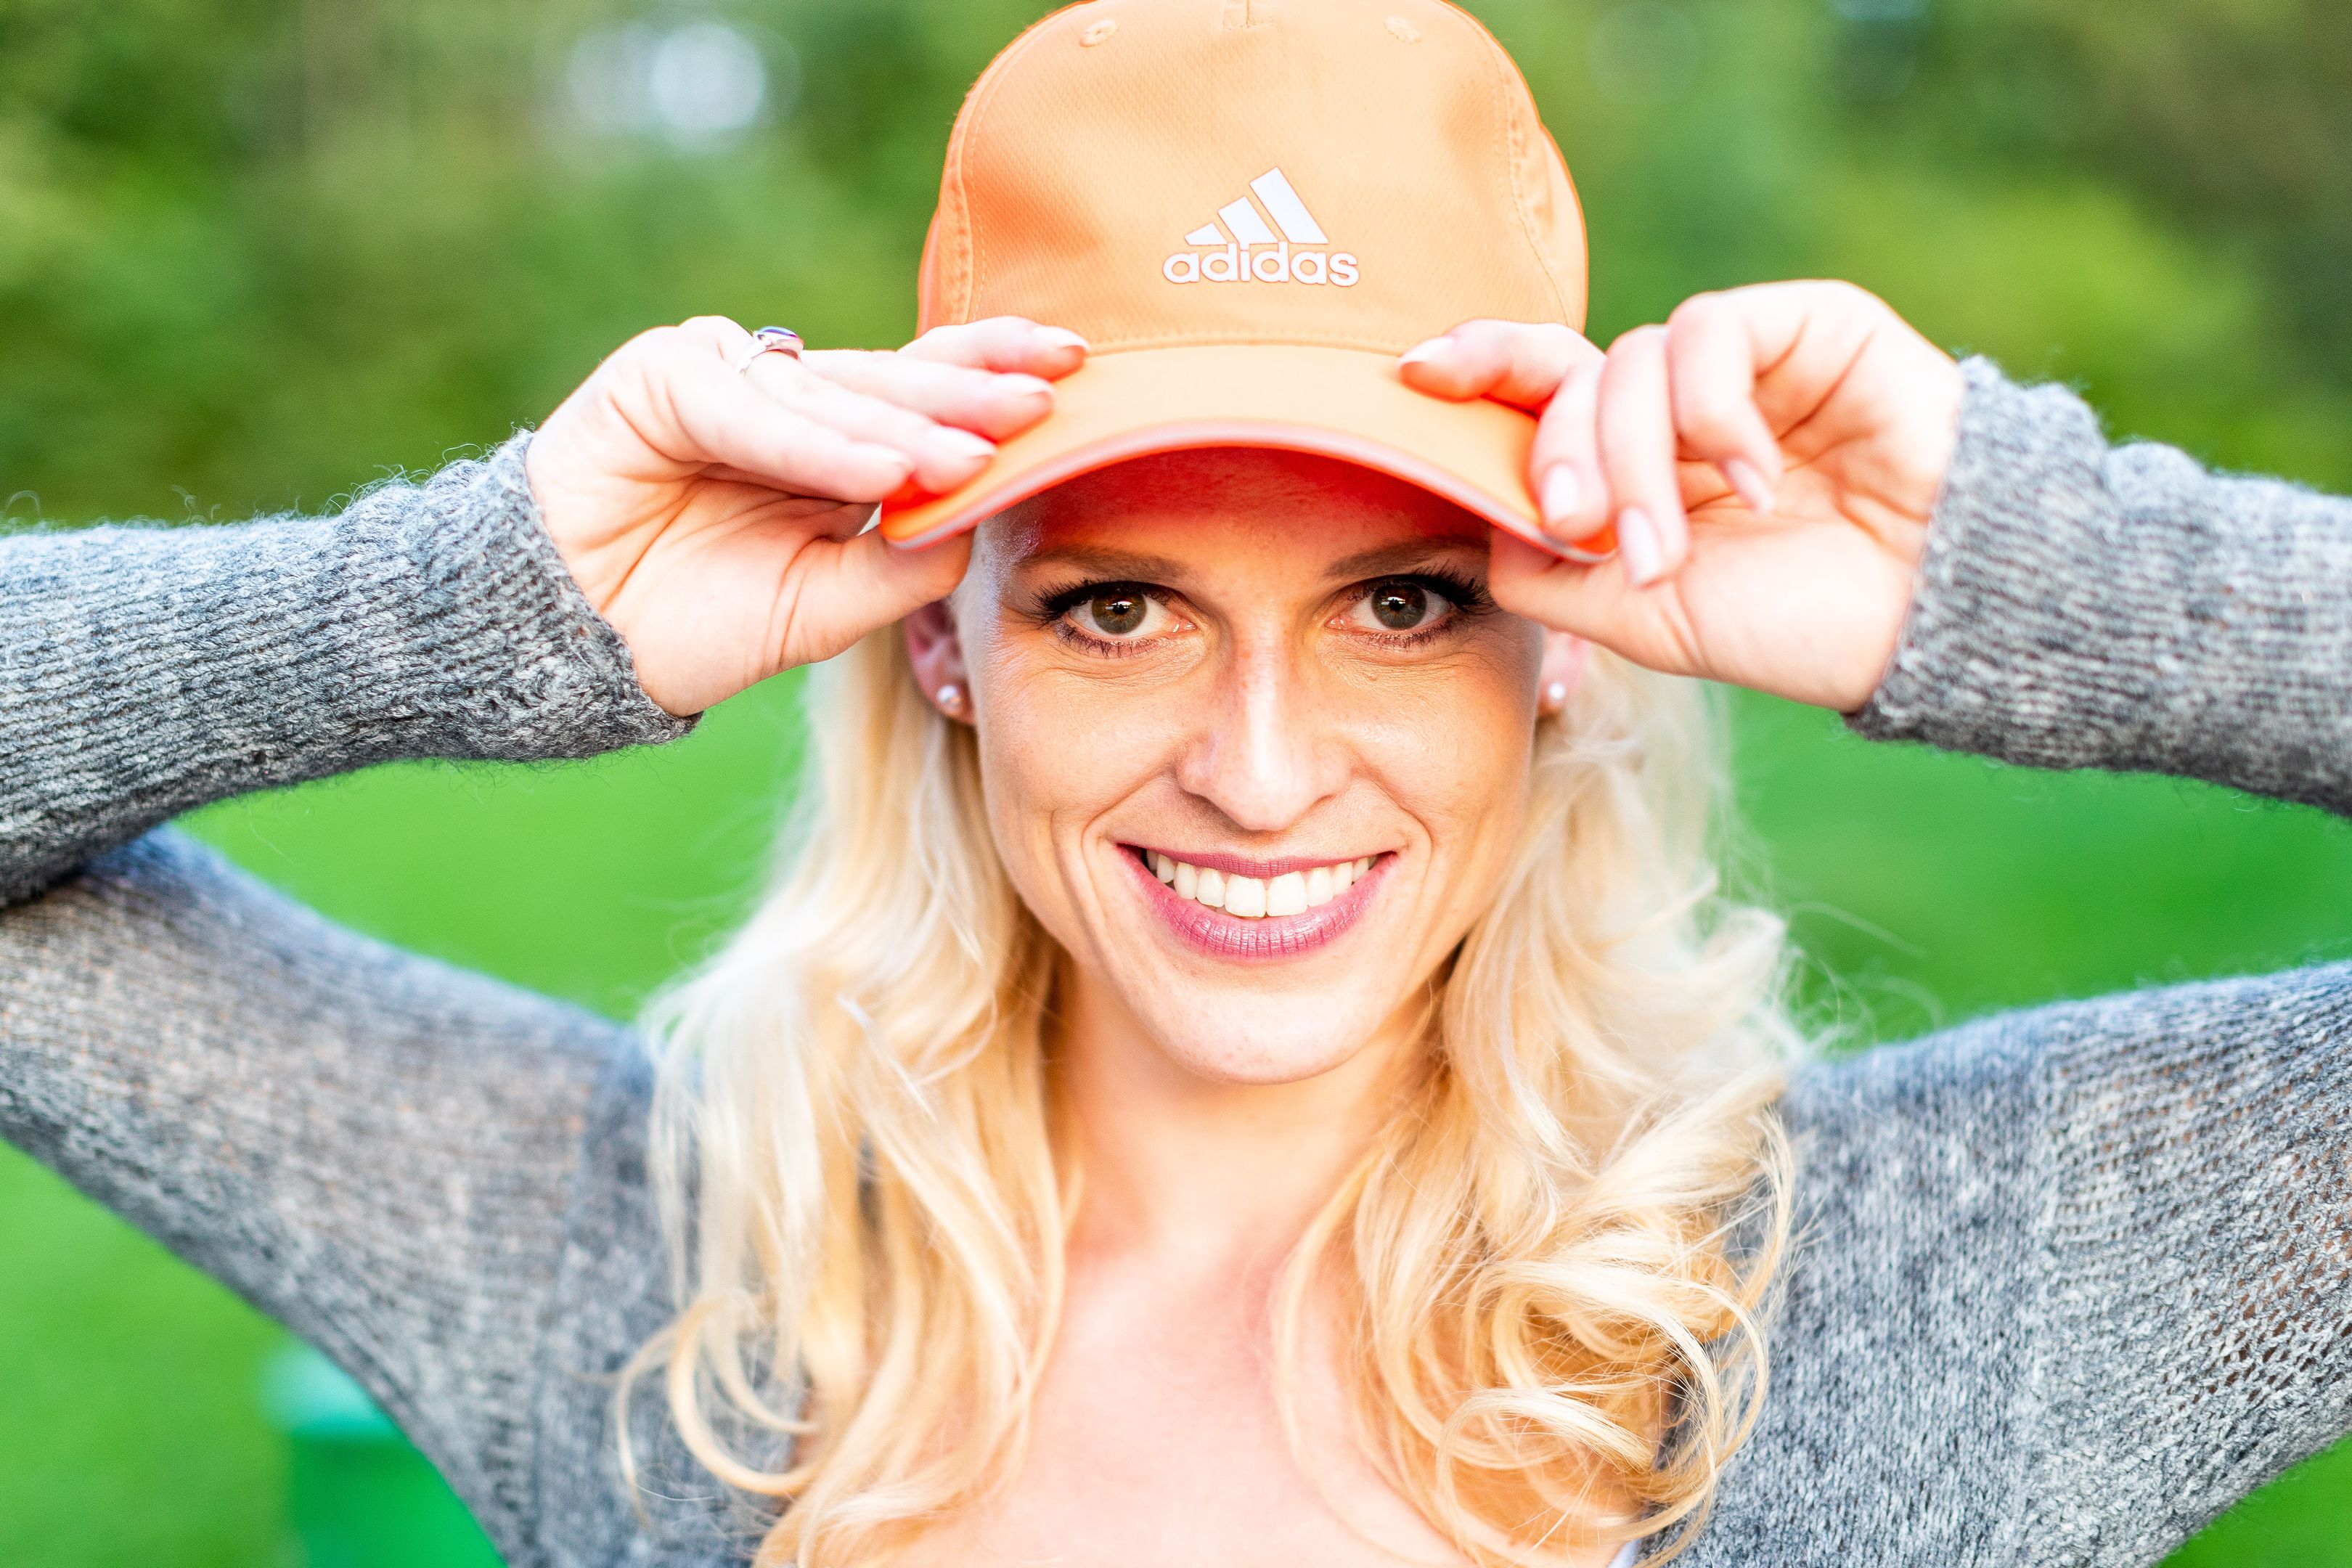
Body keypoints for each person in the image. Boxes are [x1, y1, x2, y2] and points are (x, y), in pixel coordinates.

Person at [4, 1, 2348, 1565]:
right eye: (1116, 606)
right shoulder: (647, 1269)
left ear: (1568, 646)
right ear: (941, 636)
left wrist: (2036, 572)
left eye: (1404, 601)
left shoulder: (1949, 1282)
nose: (1257, 770)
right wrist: (463, 597)